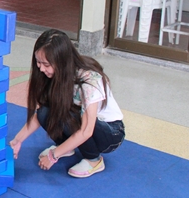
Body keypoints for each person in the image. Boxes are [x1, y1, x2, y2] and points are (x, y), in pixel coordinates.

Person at [9, 29, 125, 178]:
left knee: (68, 116)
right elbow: (39, 115)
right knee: (44, 112)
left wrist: (53, 156)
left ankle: (94, 160)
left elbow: (86, 131)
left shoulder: (89, 81)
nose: (41, 68)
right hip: (79, 119)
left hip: (111, 132)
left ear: (62, 62)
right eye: (38, 62)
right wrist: (17, 140)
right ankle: (67, 147)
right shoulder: (54, 75)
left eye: (46, 64)